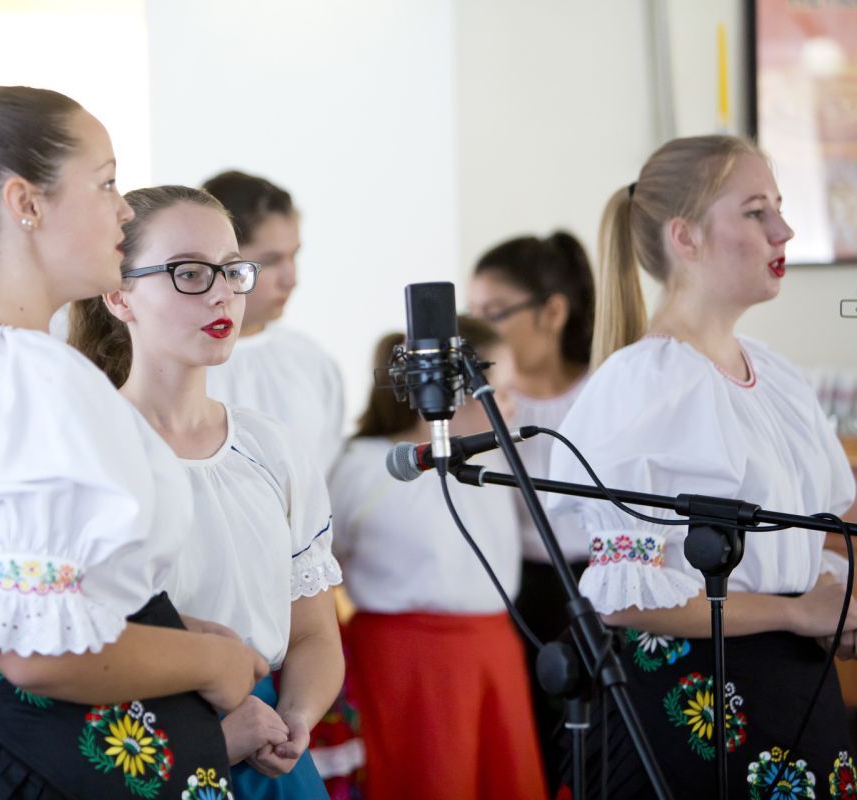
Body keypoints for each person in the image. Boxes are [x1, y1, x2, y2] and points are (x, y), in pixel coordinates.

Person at [0, 89, 265, 800]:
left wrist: (178, 632)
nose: (124, 209)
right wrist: (210, 664)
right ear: (26, 203)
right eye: (105, 183)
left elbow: (41, 595)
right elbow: (34, 653)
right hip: (39, 753)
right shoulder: (18, 372)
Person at [547, 134, 857, 798]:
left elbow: (830, 525)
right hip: (699, 701)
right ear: (684, 237)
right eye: (755, 211)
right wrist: (798, 613)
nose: (783, 230)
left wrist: (834, 609)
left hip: (797, 684)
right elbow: (628, 598)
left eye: (779, 207)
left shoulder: (773, 374)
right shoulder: (642, 385)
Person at [69, 184, 345, 799]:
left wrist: (295, 718)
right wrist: (216, 740)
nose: (222, 293)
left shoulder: (271, 448)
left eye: (231, 270)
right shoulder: (86, 452)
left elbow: (313, 633)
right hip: (141, 753)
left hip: (271, 755)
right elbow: (69, 649)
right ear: (119, 295)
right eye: (189, 273)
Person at [328, 320, 547, 800]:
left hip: (493, 650)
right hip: (407, 666)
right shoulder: (364, 466)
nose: (512, 406)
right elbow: (322, 570)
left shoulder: (497, 461)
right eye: (500, 392)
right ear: (450, 395)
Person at [466, 230, 594, 785]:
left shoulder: (604, 390)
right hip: (516, 591)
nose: (476, 331)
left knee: (595, 742)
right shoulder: (482, 404)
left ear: (553, 312)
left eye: (493, 313)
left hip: (596, 586)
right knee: (530, 749)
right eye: (471, 314)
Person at [200, 170, 346, 474]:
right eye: (270, 261)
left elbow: (325, 476)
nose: (292, 279)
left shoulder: (312, 362)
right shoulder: (181, 365)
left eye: (294, 256)